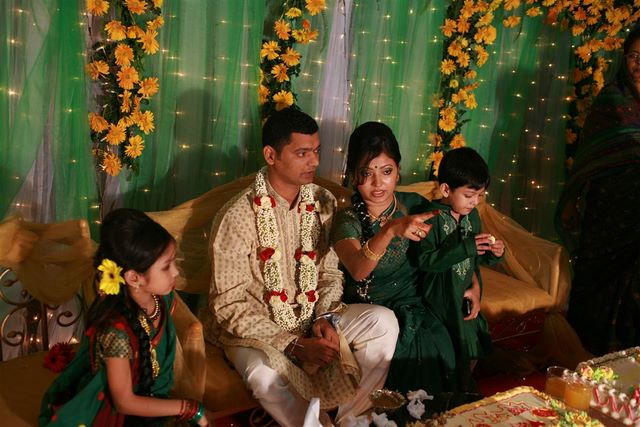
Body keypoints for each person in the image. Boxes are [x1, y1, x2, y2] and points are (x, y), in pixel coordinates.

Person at [205, 108, 399, 427]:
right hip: (257, 330)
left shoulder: (322, 201)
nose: (314, 162)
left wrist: (325, 318)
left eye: (317, 151)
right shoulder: (237, 216)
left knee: (382, 322)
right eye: (302, 153)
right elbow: (229, 306)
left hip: (311, 317)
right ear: (271, 155)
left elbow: (329, 273)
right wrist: (293, 344)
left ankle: (352, 420)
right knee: (261, 374)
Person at [39, 209, 208, 427]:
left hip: (154, 403)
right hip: (113, 416)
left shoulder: (161, 300)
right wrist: (188, 408)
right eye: (166, 266)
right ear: (134, 277)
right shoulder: (115, 331)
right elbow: (124, 402)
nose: (175, 272)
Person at [330, 121, 458, 396]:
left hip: (415, 308)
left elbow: (455, 241)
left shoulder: (414, 206)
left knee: (438, 339)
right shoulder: (347, 221)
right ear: (353, 175)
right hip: (369, 316)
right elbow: (358, 270)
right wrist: (389, 230)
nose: (378, 183)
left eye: (386, 171)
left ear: (398, 171)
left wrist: (473, 284)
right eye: (367, 173)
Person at [556, 27, 640, 355]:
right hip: (609, 214)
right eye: (634, 56)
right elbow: (589, 158)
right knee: (597, 288)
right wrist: (571, 201)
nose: (638, 65)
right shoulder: (611, 100)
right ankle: (587, 357)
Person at [419, 147, 505, 391]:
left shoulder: (472, 217)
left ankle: (464, 392)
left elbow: (475, 259)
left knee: (472, 344)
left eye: (480, 196)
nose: (475, 202)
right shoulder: (430, 217)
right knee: (451, 350)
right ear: (446, 190)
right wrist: (466, 247)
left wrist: (494, 253)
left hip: (464, 295)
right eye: (469, 195)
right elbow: (426, 261)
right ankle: (452, 396)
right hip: (441, 299)